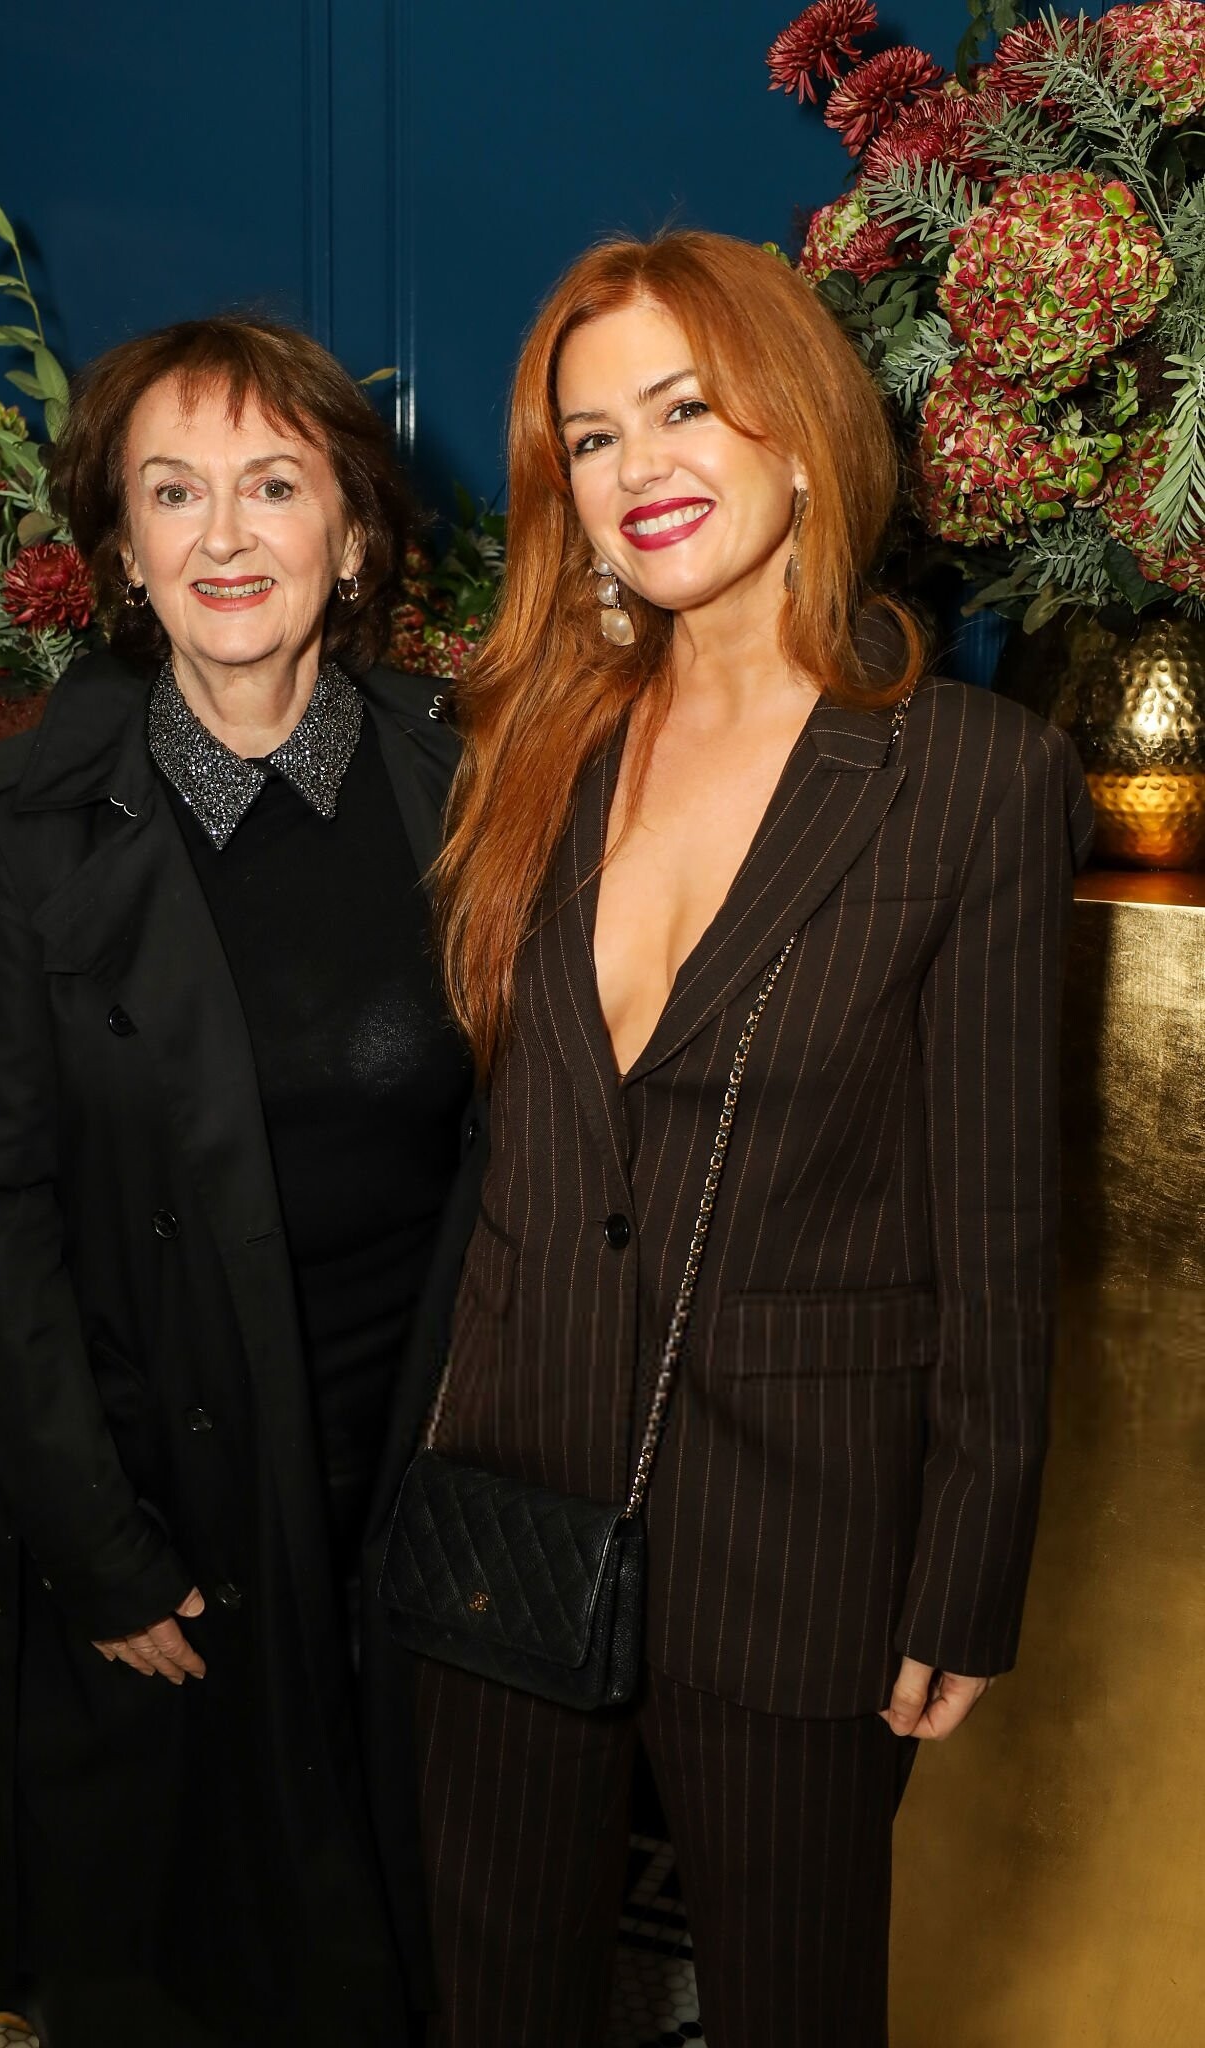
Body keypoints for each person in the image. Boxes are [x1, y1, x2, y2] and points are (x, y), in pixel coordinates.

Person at [399, 231, 1094, 2046]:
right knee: (496, 1996)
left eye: (684, 407)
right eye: (592, 437)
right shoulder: (531, 741)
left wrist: (966, 1563)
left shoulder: (970, 777)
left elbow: (996, 1229)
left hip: (803, 1532)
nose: (637, 467)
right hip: (510, 1486)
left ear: (799, 430)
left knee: (795, 2002)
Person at [0, 316, 472, 2048]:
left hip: (406, 1468)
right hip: (158, 1472)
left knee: (403, 1939)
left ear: (356, 535)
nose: (225, 536)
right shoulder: (29, 819)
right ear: (121, 551)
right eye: (173, 493)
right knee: (168, 1959)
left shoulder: (469, 777)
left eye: (273, 486)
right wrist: (97, 1547)